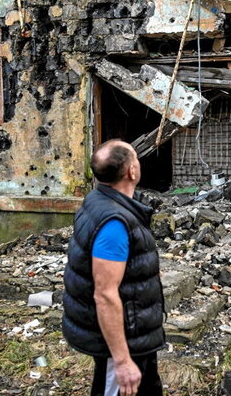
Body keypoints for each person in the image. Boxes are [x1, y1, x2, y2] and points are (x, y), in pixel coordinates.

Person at [63, 139, 165, 396]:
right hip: (121, 340)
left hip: (136, 332)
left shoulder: (102, 201)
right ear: (132, 171)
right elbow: (105, 294)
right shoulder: (114, 224)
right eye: (136, 159)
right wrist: (121, 361)